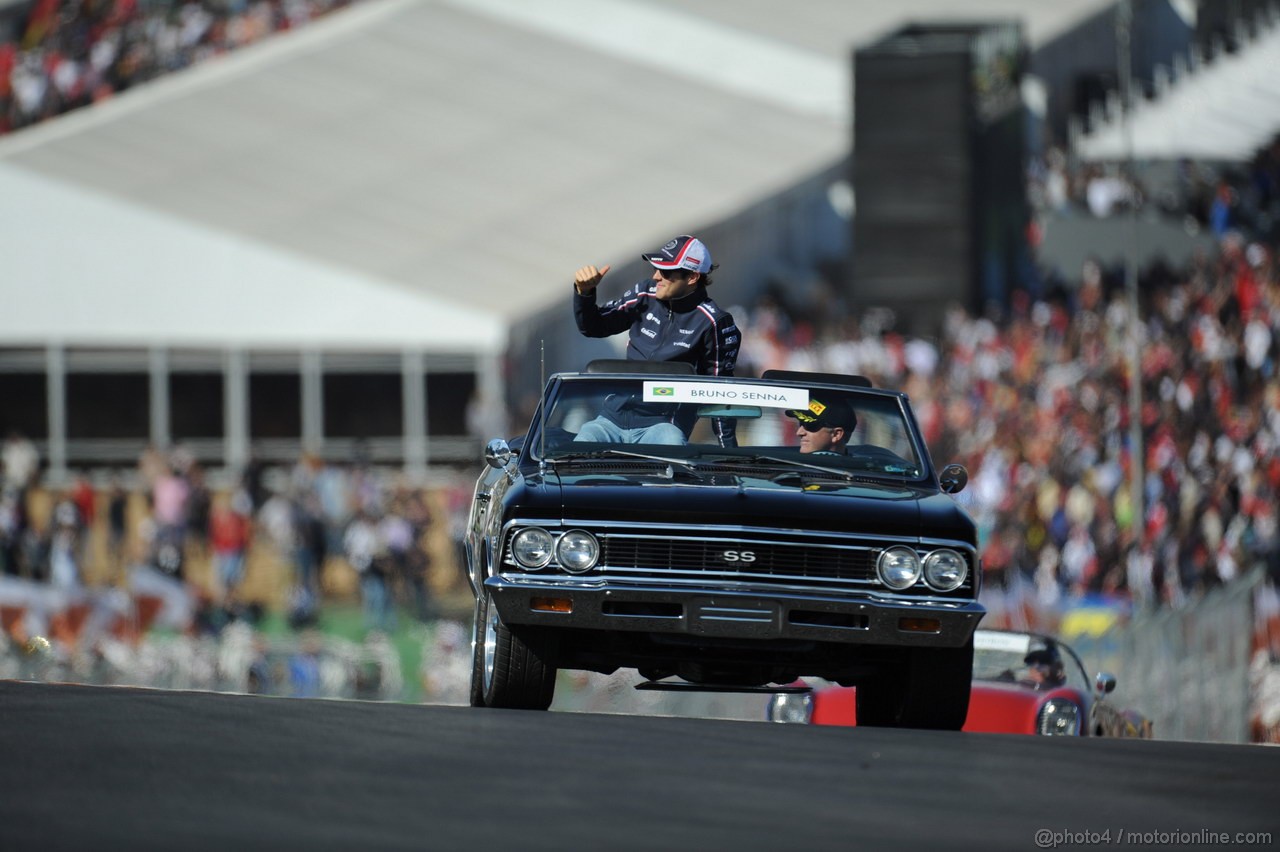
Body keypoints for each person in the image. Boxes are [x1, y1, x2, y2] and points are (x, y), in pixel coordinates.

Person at [573, 235, 741, 446]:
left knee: (670, 450)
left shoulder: (715, 322)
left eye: (666, 272)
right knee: (574, 456)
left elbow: (721, 392)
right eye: (656, 268)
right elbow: (593, 326)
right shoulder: (644, 294)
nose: (655, 276)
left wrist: (727, 453)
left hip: (663, 429)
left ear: (692, 278)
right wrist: (585, 293)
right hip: (610, 421)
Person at [784, 396, 856, 454]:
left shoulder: (857, 470)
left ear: (836, 434)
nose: (799, 432)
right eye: (801, 424)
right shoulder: (785, 464)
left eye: (810, 425)